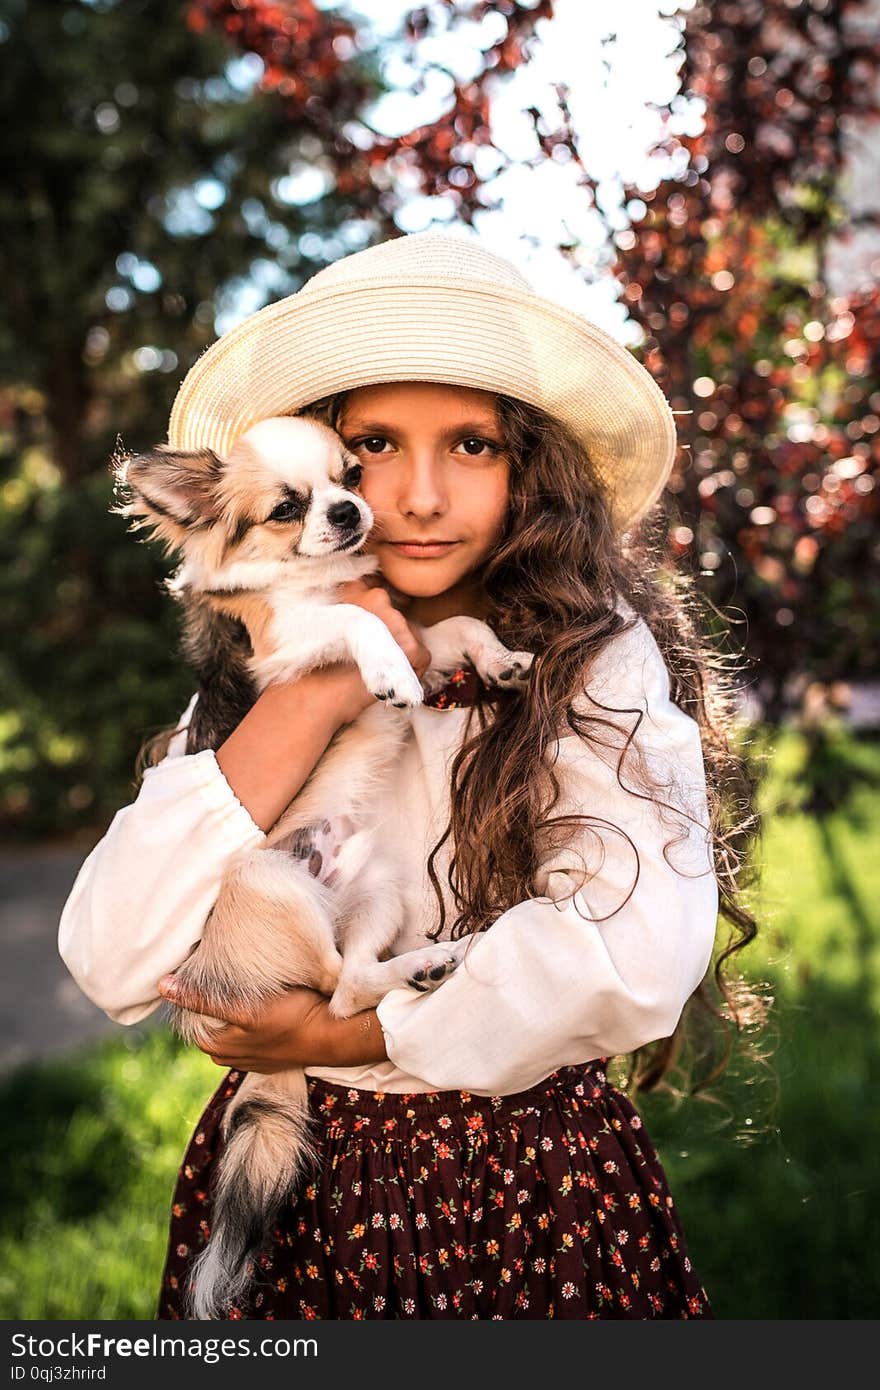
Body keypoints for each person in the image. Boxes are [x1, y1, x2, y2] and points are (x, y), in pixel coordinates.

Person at [58, 229, 761, 1320]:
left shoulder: (587, 657)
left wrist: (338, 1036)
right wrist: (319, 690)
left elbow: (635, 954)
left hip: (526, 1181)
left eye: (472, 444)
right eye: (378, 441)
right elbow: (109, 955)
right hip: (305, 1194)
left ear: (532, 464)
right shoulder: (259, 668)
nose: (422, 496)